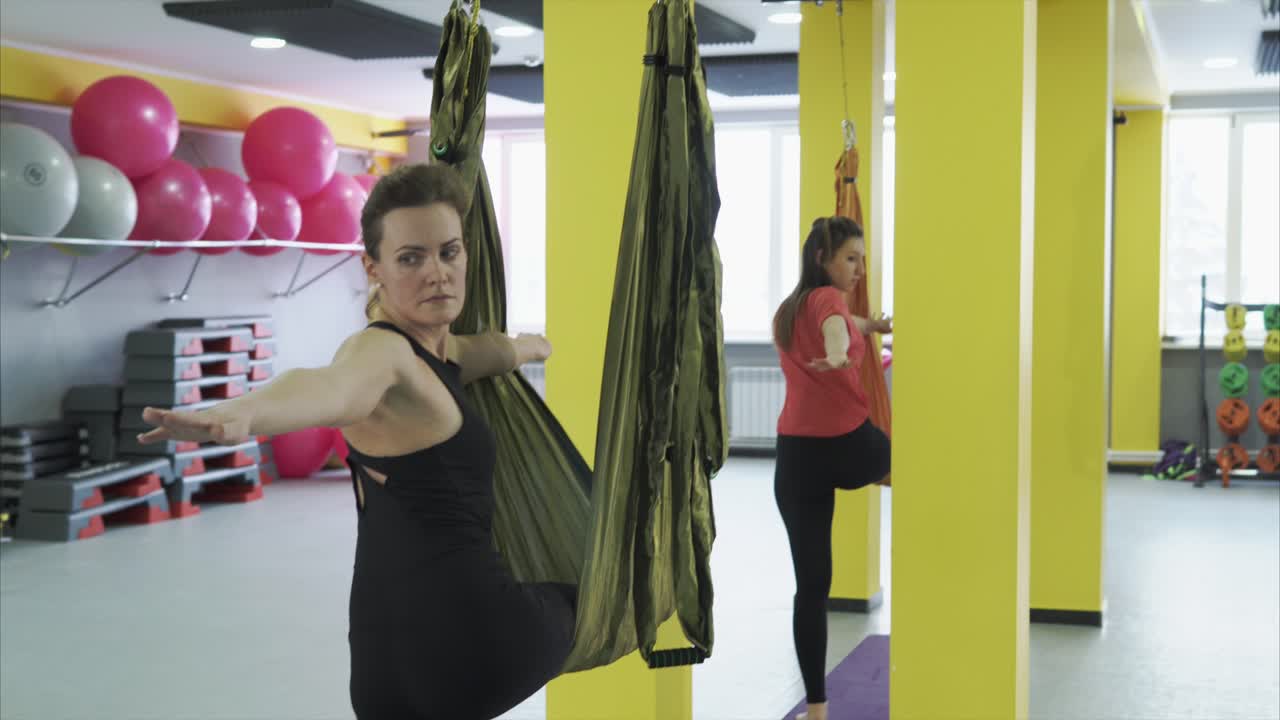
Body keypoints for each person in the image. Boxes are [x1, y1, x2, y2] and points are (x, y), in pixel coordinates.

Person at [137, 163, 577, 719]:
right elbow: (329, 386)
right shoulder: (381, 354)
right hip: (478, 638)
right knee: (610, 596)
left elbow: (485, 350)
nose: (437, 273)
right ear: (373, 268)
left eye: (449, 252)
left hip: (382, 660)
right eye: (411, 258)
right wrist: (241, 415)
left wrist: (532, 347)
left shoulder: (439, 355)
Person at [771, 216, 893, 720]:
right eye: (850, 258)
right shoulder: (827, 300)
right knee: (926, 467)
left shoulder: (788, 308)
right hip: (848, 445)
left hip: (796, 459)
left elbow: (846, 323)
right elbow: (835, 327)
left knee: (812, 587)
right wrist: (841, 353)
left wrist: (872, 328)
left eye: (862, 259)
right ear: (822, 258)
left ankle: (816, 709)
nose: (859, 269)